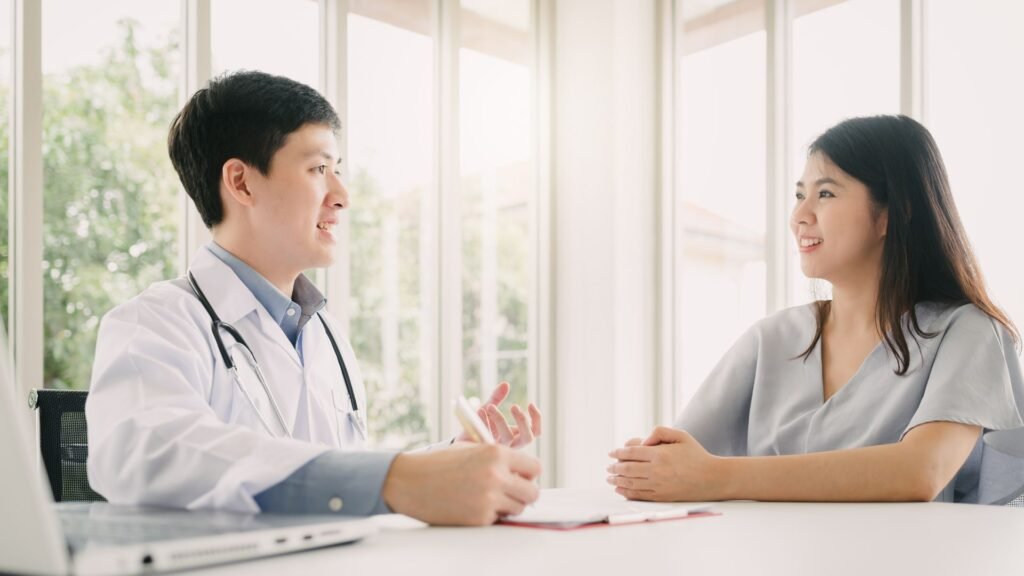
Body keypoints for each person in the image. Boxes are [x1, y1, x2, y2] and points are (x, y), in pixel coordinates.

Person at [87, 70, 542, 526]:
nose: (342, 195)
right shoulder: (155, 323)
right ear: (242, 183)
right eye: (319, 169)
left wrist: (448, 461)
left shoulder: (324, 332)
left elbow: (336, 469)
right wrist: (399, 478)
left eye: (337, 170)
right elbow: (144, 451)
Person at [608, 115, 1024, 504]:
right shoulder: (772, 338)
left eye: (825, 193)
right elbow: (679, 459)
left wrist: (718, 477)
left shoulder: (968, 332)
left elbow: (922, 470)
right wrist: (650, 465)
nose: (799, 216)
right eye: (799, 195)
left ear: (893, 215)